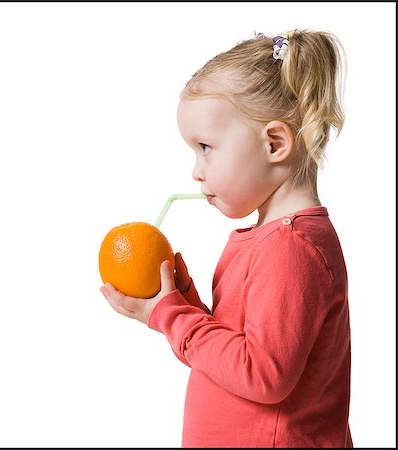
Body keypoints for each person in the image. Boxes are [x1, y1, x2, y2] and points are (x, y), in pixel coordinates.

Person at [100, 29, 352, 448]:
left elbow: (264, 375)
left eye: (206, 147)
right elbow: (235, 361)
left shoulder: (291, 249)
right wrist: (185, 310)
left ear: (275, 143)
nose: (196, 171)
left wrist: (176, 319)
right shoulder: (275, 239)